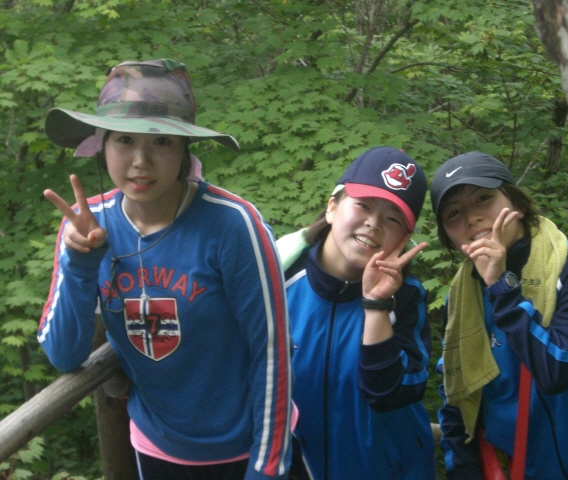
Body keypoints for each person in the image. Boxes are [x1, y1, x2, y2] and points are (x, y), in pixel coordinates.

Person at [37, 59, 292, 480]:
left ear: (184, 150)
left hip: (245, 446)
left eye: (161, 142)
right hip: (156, 448)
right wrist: (81, 262)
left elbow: (272, 349)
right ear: (101, 145)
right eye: (124, 140)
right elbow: (64, 355)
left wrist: (267, 467)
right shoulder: (85, 224)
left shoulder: (232, 225)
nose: (141, 161)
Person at [431, 151, 568, 480]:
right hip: (526, 469)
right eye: (454, 213)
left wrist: (502, 287)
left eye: (483, 198)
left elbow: (558, 369)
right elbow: (456, 393)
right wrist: (463, 468)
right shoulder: (461, 301)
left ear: (517, 202)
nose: (471, 218)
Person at [277, 146, 437, 480]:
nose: (373, 223)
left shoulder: (406, 298)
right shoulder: (276, 278)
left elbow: (390, 394)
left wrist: (377, 305)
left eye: (392, 218)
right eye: (363, 205)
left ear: (405, 238)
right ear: (332, 207)